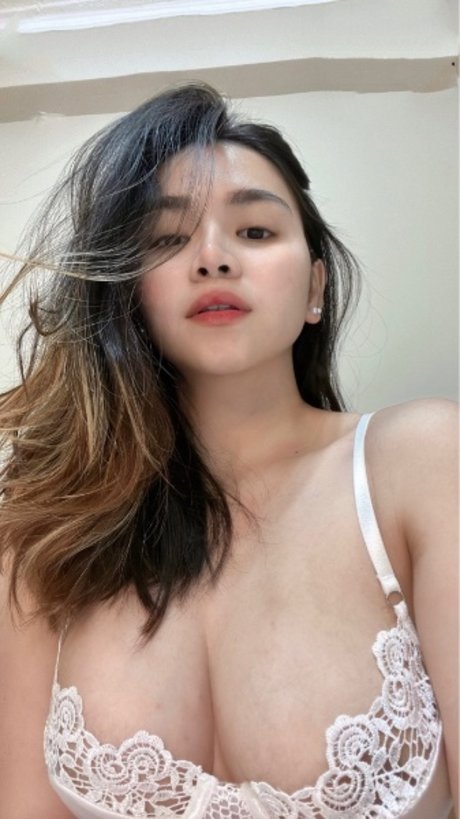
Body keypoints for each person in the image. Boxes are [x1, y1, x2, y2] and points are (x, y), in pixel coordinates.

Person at [0, 83, 457, 819]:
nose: (212, 258)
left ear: (315, 286)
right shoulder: (47, 537)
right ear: (128, 293)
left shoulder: (423, 462)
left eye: (254, 231)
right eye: (167, 239)